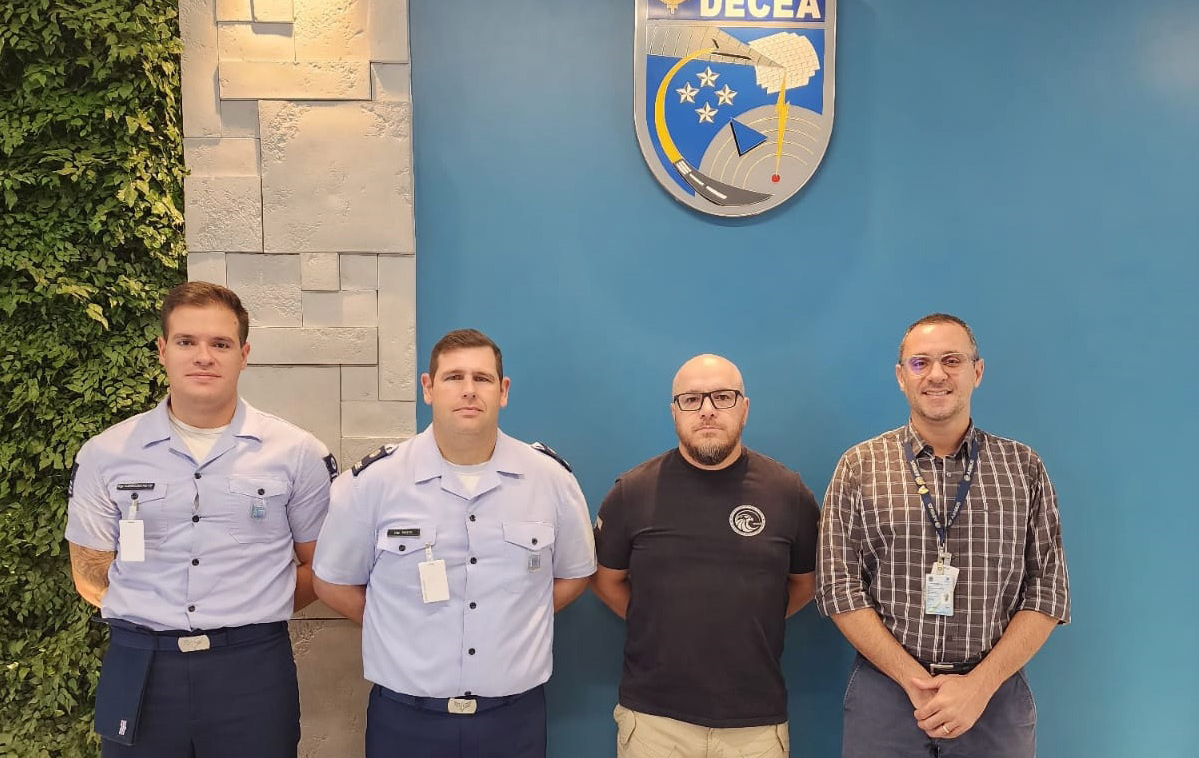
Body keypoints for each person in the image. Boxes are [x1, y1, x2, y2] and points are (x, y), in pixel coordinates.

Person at [64, 281, 336, 757]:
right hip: (141, 665)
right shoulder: (106, 454)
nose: (204, 357)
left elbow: (323, 566)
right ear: (162, 351)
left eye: (221, 344)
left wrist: (255, 603)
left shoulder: (297, 454)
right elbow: (89, 572)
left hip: (252, 668)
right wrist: (154, 609)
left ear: (244, 355)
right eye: (187, 341)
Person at [312, 328, 595, 758]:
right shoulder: (374, 483)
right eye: (453, 377)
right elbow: (331, 582)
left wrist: (518, 615)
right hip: (405, 719)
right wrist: (396, 623)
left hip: (513, 719)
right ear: (428, 388)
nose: (468, 390)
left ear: (503, 391)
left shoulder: (551, 480)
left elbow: (576, 574)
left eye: (482, 378)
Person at [816, 313, 1071, 758]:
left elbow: (1048, 592)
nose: (936, 374)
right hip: (886, 696)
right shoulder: (859, 467)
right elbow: (838, 588)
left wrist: (979, 685)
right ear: (901, 376)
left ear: (977, 371)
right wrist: (913, 682)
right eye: (920, 363)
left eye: (952, 360)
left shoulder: (1023, 468)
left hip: (994, 697)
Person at [592, 354, 820, 758]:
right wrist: (658, 619)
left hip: (755, 726)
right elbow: (606, 581)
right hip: (654, 723)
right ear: (674, 411)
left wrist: (751, 618)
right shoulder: (632, 493)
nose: (708, 410)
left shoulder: (789, 493)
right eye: (692, 399)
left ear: (744, 408)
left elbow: (806, 583)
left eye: (722, 397)